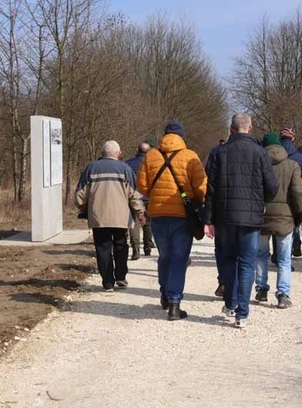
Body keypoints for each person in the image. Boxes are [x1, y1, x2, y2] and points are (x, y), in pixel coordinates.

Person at [203, 113, 278, 328]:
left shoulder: (218, 152)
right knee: (246, 264)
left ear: (230, 129)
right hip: (251, 218)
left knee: (227, 260)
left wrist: (208, 219)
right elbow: (272, 187)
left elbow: (209, 189)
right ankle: (242, 314)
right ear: (251, 128)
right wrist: (260, 201)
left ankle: (230, 303)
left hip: (225, 217)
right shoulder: (260, 153)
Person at [137, 120, 207, 321]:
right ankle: (174, 303)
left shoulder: (151, 156)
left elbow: (141, 185)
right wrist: (195, 200)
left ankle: (165, 295)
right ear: (181, 137)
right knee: (179, 258)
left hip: (158, 213)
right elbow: (201, 186)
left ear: (164, 135)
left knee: (164, 256)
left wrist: (155, 193)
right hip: (183, 215)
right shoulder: (190, 156)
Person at [75, 140, 145, 291]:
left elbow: (80, 195)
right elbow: (134, 195)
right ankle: (121, 276)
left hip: (98, 217)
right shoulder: (125, 169)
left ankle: (107, 282)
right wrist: (140, 212)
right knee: (121, 245)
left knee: (103, 248)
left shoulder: (91, 168)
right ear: (119, 154)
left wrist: (84, 209)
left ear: (102, 153)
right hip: (120, 217)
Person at [254, 133, 302, 309]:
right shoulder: (292, 165)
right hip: (285, 216)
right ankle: (283, 294)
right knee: (284, 258)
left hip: (262, 215)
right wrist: (299, 214)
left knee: (260, 255)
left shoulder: (258, 164)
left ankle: (261, 289)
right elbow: (297, 192)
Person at [278, 128, 302, 257]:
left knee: (278, 228)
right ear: (293, 139)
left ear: (280, 138)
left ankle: (278, 254)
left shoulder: (269, 154)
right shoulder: (301, 158)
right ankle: (289, 252)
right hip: (295, 197)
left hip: (275, 198)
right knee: (294, 223)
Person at [205, 137, 227, 298]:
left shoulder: (215, 152)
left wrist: (209, 218)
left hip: (220, 210)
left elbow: (209, 184)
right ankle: (237, 289)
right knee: (242, 253)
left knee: (221, 249)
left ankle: (224, 281)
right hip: (246, 212)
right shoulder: (255, 150)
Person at [125, 141, 155, 259]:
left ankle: (135, 249)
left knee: (135, 223)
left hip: (134, 196)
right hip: (149, 196)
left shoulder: (128, 164)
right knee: (148, 223)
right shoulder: (153, 164)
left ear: (137, 150)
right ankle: (147, 246)